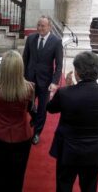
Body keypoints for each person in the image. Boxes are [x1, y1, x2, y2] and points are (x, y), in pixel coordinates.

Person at [47, 51, 98, 192]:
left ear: (77, 72)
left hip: (68, 150)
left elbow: (51, 108)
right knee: (90, 187)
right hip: (94, 150)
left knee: (64, 186)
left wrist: (65, 88)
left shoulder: (65, 93)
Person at [0, 50, 34, 192]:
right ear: (21, 67)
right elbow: (30, 109)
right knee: (18, 176)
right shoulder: (30, 88)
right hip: (22, 136)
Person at [23, 15, 63, 145]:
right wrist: (22, 77)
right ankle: (34, 118)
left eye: (43, 25)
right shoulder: (30, 38)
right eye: (38, 25)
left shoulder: (56, 41)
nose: (39, 28)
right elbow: (25, 59)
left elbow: (59, 64)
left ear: (49, 27)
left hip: (46, 82)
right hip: (29, 79)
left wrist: (55, 82)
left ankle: (37, 133)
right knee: (27, 104)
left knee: (42, 109)